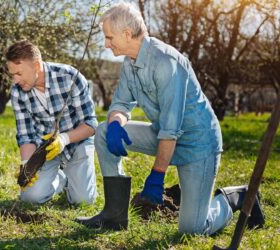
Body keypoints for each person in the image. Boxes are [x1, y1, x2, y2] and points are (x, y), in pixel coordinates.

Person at [75, 2, 264, 234]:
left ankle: (236, 197)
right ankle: (114, 215)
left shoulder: (165, 62)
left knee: (193, 229)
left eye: (109, 37)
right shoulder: (128, 63)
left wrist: (157, 174)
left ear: (126, 34)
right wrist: (116, 122)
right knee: (103, 131)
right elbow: (122, 104)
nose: (106, 44)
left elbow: (171, 128)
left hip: (198, 145)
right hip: (163, 134)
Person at [6, 40, 98, 204]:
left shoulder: (70, 77)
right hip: (45, 150)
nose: (15, 80)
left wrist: (64, 139)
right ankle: (60, 181)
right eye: (12, 75)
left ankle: (73, 179)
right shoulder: (17, 92)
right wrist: (28, 166)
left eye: (19, 74)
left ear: (36, 66)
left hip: (77, 143)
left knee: (83, 201)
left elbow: (90, 124)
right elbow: (25, 135)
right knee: (30, 198)